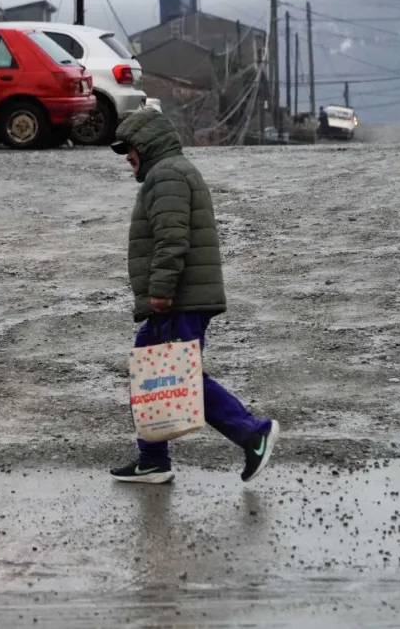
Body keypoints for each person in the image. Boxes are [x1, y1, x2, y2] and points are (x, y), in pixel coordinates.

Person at [107, 109, 280, 485]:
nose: (127, 156)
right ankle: (153, 458)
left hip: (179, 300)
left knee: (177, 375)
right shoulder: (167, 172)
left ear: (148, 144)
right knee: (154, 370)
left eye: (131, 148)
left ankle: (253, 433)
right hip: (183, 298)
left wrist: (161, 292)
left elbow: (172, 239)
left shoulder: (167, 175)